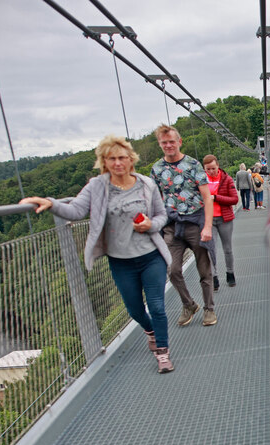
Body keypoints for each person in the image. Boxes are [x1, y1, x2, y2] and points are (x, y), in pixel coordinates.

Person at [19, 135, 175, 373]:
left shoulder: (146, 185)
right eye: (111, 158)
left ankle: (163, 353)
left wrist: (150, 225)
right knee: (134, 309)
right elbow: (76, 210)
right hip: (121, 260)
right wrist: (50, 203)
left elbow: (161, 215)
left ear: (130, 159)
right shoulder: (97, 186)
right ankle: (150, 330)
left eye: (122, 157)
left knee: (157, 306)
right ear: (104, 161)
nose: (118, 163)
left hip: (150, 256)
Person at [150, 124, 217, 327]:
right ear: (160, 145)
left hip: (195, 222)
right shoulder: (156, 169)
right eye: (164, 143)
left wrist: (207, 227)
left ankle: (209, 309)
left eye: (172, 141)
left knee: (204, 270)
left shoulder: (193, 165)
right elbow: (154, 199)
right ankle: (189, 304)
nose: (168, 145)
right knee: (173, 270)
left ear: (179, 142)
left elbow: (207, 197)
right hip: (172, 225)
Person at [204, 154, 239, 290]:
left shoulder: (227, 179)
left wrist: (216, 197)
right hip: (209, 219)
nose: (211, 171)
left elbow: (234, 199)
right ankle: (214, 277)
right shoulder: (201, 181)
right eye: (208, 169)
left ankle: (230, 273)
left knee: (227, 249)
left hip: (225, 219)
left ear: (218, 166)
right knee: (210, 249)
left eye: (213, 168)